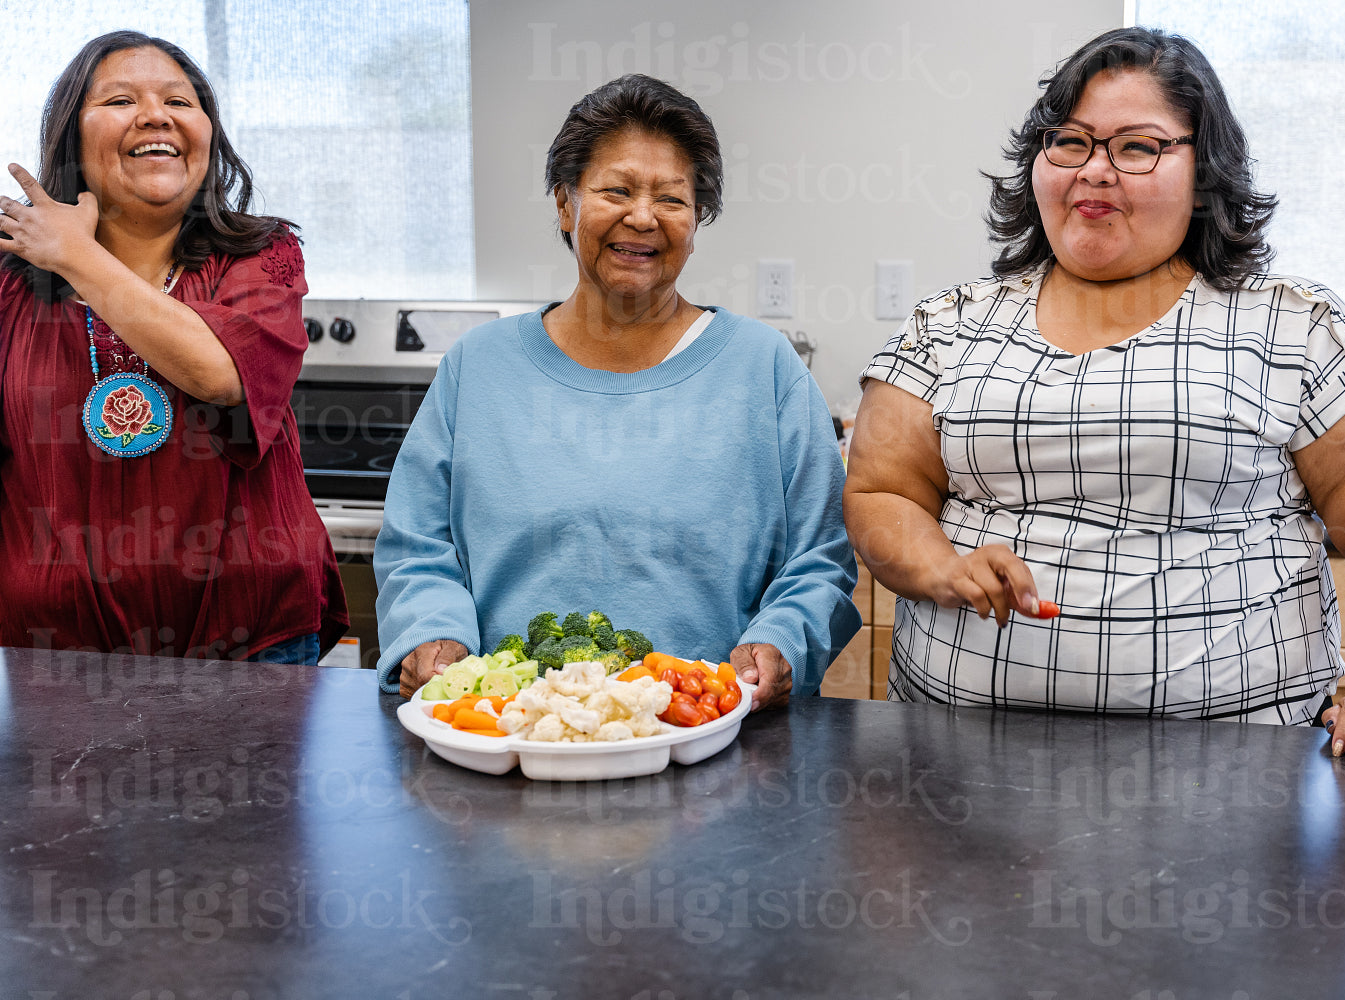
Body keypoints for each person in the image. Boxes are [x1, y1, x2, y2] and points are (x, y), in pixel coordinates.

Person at [844, 27, 1345, 763]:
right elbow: (881, 493)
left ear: (1205, 171)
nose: (1095, 170)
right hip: (963, 766)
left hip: (1235, 768)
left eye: (1136, 147)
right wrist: (940, 565)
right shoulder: (948, 324)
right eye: (1071, 142)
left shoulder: (1296, 325)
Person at [375, 74, 859, 708]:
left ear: (697, 217)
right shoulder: (478, 367)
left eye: (672, 198)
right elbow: (417, 545)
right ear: (563, 204)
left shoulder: (762, 367)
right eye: (617, 190)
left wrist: (781, 641)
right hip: (508, 730)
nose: (642, 216)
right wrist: (432, 633)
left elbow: (820, 556)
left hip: (704, 731)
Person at [0, 31, 346, 663]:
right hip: (51, 651)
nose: (156, 114)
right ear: (71, 137)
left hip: (249, 641)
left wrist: (76, 255)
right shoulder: (8, 284)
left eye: (180, 102)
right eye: (120, 100)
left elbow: (218, 373)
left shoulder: (262, 254)